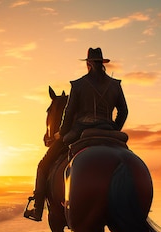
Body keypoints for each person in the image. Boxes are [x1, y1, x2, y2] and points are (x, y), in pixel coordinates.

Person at [24, 47, 128, 221]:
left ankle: (38, 208)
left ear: (88, 64)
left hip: (81, 130)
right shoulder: (115, 85)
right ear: (102, 63)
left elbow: (69, 113)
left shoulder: (79, 85)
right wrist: (113, 129)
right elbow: (123, 111)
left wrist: (61, 133)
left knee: (43, 165)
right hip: (110, 131)